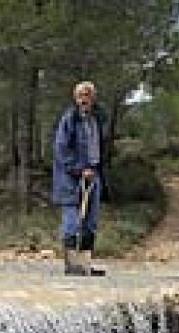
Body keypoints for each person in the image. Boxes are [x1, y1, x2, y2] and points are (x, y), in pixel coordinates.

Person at [52, 81, 108, 276]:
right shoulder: (69, 119)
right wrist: (79, 169)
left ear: (93, 98)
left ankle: (84, 264)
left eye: (88, 95)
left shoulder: (97, 119)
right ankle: (72, 265)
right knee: (72, 221)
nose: (84, 99)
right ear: (75, 98)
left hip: (94, 175)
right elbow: (61, 149)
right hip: (71, 179)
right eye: (81, 95)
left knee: (90, 223)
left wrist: (95, 170)